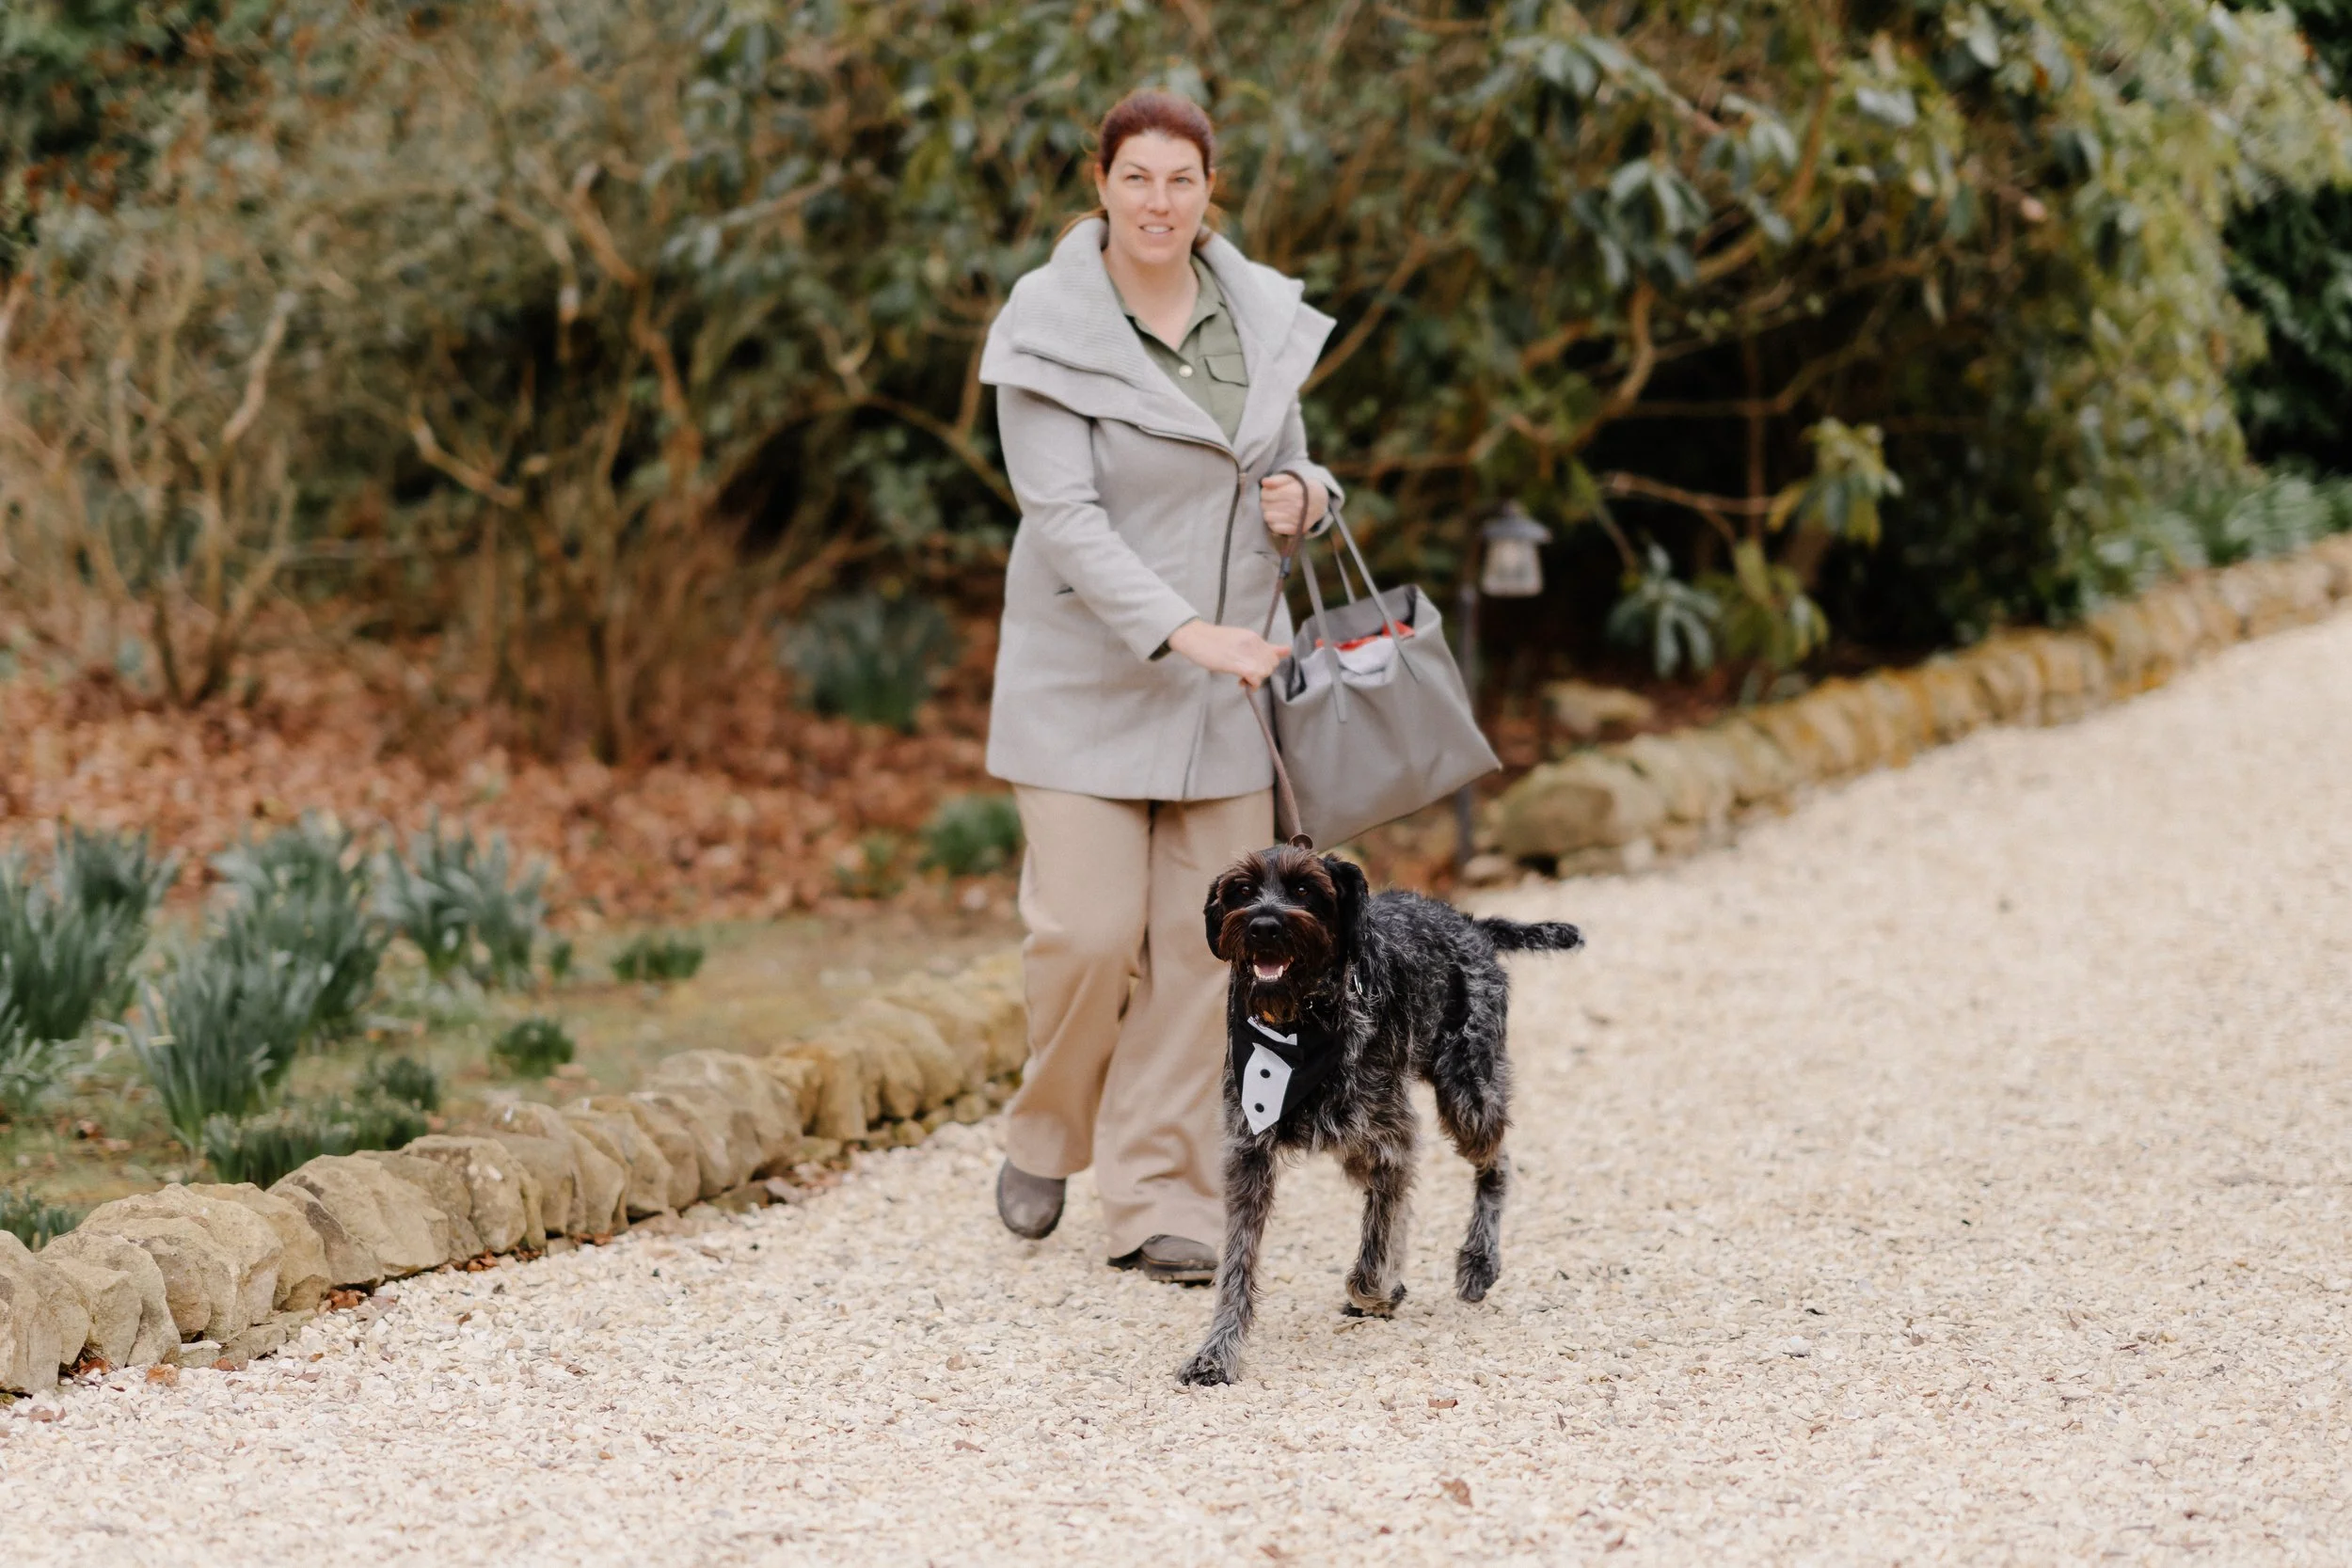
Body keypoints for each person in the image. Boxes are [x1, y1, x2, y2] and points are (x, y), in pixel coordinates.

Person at [977, 88, 1343, 1282]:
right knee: (1084, 936)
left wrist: (1311, 494)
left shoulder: (1257, 314)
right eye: (1136, 177)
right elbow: (1065, 520)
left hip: (1224, 695)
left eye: (1180, 180)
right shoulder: (1046, 325)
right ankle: (1046, 1127)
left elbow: (1285, 462)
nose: (1158, 201)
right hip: (1087, 678)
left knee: (1212, 957)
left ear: (1207, 192)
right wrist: (1188, 630)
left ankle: (1157, 1200)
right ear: (1101, 186)